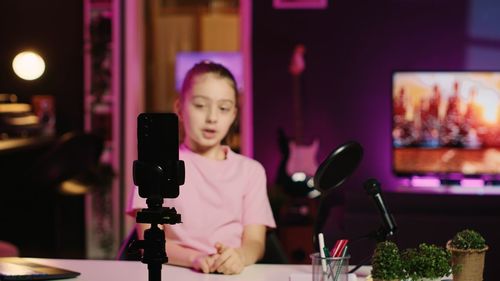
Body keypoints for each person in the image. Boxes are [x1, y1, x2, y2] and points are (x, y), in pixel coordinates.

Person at [128, 61, 276, 275]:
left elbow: (255, 241)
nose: (212, 118)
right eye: (200, 105)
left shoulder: (250, 172)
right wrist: (196, 258)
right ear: (179, 108)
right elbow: (149, 240)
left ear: (234, 114)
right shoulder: (157, 166)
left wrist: (239, 257)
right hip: (174, 272)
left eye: (223, 108)